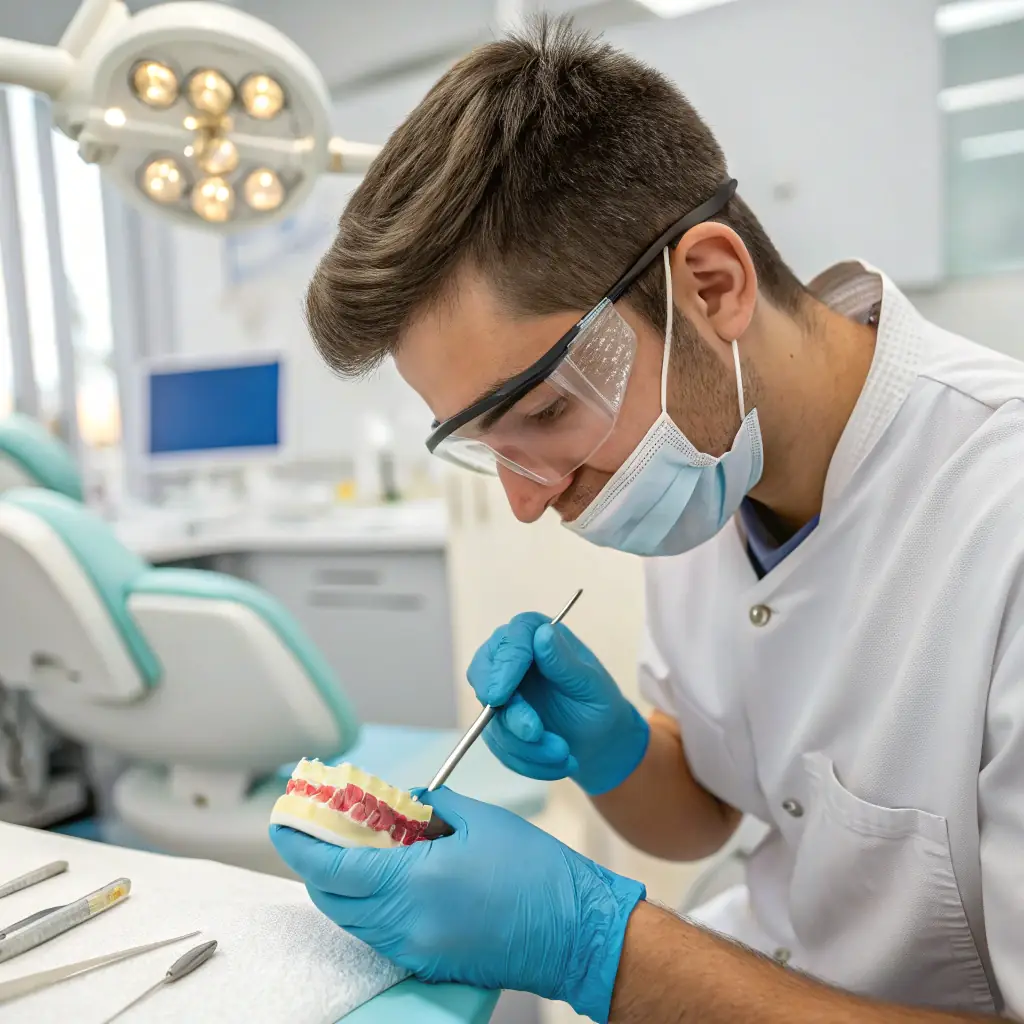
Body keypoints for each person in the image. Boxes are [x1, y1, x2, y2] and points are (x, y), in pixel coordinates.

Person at [270, 17, 1024, 1024]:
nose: (529, 499)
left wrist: (596, 943)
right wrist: (620, 750)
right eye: (488, 443)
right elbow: (707, 818)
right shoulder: (706, 458)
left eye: (541, 412)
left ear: (711, 287)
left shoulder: (1000, 516)